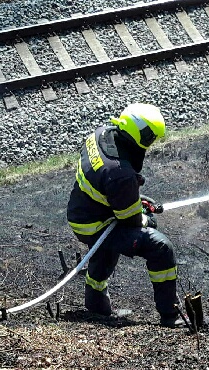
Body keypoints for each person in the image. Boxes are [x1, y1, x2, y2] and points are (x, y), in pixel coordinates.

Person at [66, 103, 183, 327]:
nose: (149, 146)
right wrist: (146, 218)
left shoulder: (100, 134)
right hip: (94, 225)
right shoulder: (120, 175)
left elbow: (105, 182)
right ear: (140, 135)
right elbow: (130, 220)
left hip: (83, 212)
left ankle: (97, 306)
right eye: (149, 139)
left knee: (108, 246)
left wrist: (133, 197)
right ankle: (171, 315)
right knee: (160, 247)